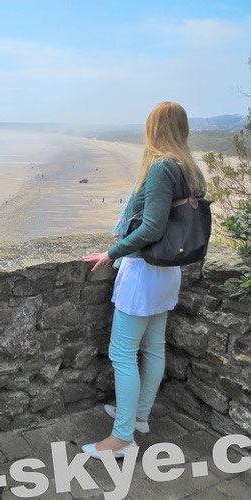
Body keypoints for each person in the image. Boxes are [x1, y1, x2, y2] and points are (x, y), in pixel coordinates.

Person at [81, 101, 207, 459]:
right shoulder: (189, 168)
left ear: (153, 129)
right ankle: (138, 417)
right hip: (168, 272)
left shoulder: (162, 167)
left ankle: (122, 439)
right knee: (153, 348)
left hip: (144, 273)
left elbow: (152, 226)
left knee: (122, 354)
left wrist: (111, 253)